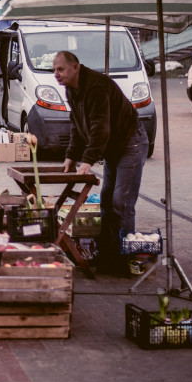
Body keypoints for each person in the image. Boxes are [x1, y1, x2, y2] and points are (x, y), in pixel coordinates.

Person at [52, 50, 148, 274]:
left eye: (61, 69)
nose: (56, 74)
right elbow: (77, 124)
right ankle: (107, 255)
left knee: (121, 203)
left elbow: (100, 126)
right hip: (113, 147)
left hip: (130, 143)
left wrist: (88, 160)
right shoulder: (72, 89)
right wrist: (71, 156)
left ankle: (124, 260)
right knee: (106, 201)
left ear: (76, 67)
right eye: (54, 70)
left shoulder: (96, 86)